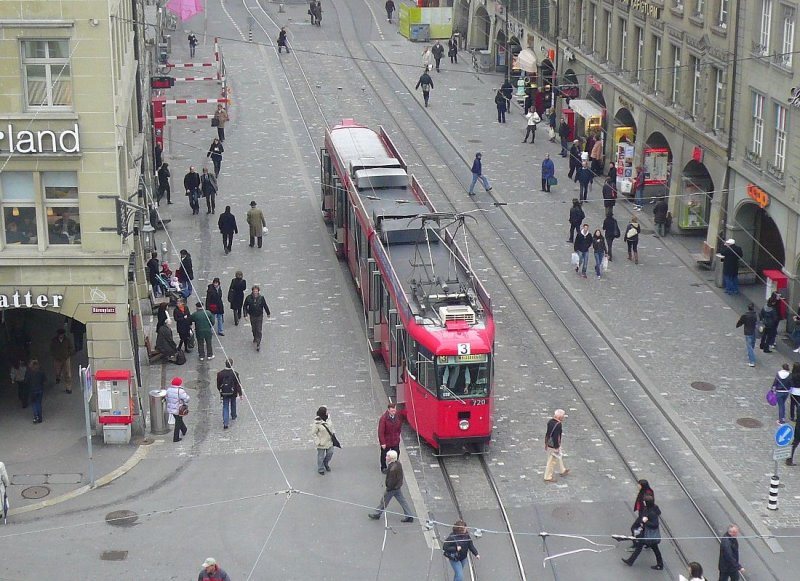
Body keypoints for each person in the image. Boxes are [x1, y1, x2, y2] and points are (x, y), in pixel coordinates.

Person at [368, 449, 414, 522]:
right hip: (397, 486)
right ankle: (409, 515)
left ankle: (377, 514)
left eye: (387, 456)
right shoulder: (397, 464)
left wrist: (388, 487)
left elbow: (391, 481)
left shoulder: (392, 468)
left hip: (392, 488)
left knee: (384, 501)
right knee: (402, 501)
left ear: (390, 458)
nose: (386, 457)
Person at [621, 495, 664, 570]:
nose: (643, 502)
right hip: (645, 531)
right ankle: (660, 564)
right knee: (647, 547)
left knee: (646, 547)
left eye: (644, 501)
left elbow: (655, 524)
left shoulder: (652, 512)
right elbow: (658, 512)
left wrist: (646, 521)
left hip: (648, 534)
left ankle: (631, 561)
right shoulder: (652, 507)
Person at [543, 409, 569, 481]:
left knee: (558, 456)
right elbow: (556, 437)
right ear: (559, 416)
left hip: (549, 443)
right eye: (563, 416)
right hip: (554, 445)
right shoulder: (558, 424)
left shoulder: (550, 422)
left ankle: (562, 470)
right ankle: (547, 477)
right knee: (551, 461)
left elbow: (547, 434)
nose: (563, 417)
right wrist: (557, 447)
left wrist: (546, 443)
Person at [243, 285, 271, 351]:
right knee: (254, 329)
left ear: (258, 291)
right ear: (252, 291)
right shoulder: (248, 298)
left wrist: (268, 313)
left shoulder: (261, 298)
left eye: (256, 291)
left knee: (258, 329)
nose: (255, 292)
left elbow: (265, 305)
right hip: (252, 315)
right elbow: (245, 306)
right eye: (254, 291)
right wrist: (245, 315)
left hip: (259, 315)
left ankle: (258, 343)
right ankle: (255, 337)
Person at [217, 359, 242, 430]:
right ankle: (233, 415)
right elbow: (238, 385)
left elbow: (218, 384)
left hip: (224, 392)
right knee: (233, 403)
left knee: (225, 406)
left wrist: (220, 391)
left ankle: (225, 423)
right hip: (233, 392)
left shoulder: (220, 374)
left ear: (225, 364)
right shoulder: (235, 373)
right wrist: (240, 394)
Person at [378, 403, 403, 473]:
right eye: (392, 411)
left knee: (396, 453)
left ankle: (394, 466)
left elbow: (399, 427)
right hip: (387, 441)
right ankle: (383, 467)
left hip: (395, 440)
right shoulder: (383, 419)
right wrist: (382, 443)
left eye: (394, 410)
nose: (394, 412)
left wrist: (398, 435)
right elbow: (381, 432)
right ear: (388, 410)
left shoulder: (398, 416)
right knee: (384, 454)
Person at [312, 405, 336, 474]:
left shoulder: (328, 419)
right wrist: (317, 441)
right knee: (320, 456)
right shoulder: (316, 423)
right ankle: (321, 468)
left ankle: (325, 463)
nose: (327, 412)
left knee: (330, 453)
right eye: (326, 411)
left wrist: (333, 433)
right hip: (321, 442)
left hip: (329, 441)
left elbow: (331, 426)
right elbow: (313, 433)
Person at [50, 328, 75, 392]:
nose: (61, 336)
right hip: (57, 359)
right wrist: (55, 355)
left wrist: (68, 354)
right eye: (60, 334)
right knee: (57, 371)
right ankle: (58, 377)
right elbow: (51, 349)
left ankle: (68, 388)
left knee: (68, 374)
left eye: (62, 334)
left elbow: (71, 348)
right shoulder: (54, 340)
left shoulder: (67, 340)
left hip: (66, 359)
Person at [166, 377, 190, 442]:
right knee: (178, 422)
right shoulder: (180, 391)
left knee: (178, 420)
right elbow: (186, 399)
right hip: (179, 409)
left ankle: (184, 430)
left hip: (171, 408)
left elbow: (167, 398)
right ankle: (176, 438)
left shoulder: (168, 390)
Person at [735, 303, 758, 368]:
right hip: (753, 331)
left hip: (747, 332)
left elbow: (740, 321)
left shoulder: (745, 315)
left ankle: (752, 361)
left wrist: (737, 325)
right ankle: (751, 355)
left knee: (749, 346)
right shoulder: (755, 315)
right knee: (752, 344)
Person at [26, 359, 47, 424]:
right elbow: (45, 379)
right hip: (40, 390)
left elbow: (26, 381)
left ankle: (36, 417)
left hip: (32, 391)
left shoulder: (29, 372)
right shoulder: (41, 372)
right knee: (39, 403)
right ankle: (40, 417)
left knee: (34, 404)